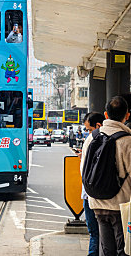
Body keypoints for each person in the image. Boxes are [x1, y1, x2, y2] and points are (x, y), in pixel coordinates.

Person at [81, 97, 131, 256]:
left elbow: (84, 169)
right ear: (127, 116)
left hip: (97, 202)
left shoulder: (91, 138)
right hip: (120, 204)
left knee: (106, 248)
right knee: (123, 249)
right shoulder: (127, 140)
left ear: (105, 114)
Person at [80, 112, 105, 256]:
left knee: (94, 232)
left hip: (90, 193)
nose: (88, 133)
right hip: (100, 193)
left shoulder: (93, 138)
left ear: (98, 125)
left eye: (89, 129)